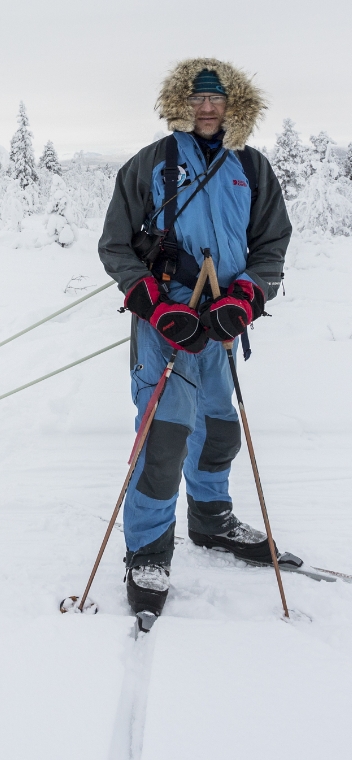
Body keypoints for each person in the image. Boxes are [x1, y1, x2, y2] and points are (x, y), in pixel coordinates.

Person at [97, 59, 295, 619]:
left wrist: (246, 299)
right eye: (197, 98)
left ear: (236, 106)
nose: (208, 108)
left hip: (223, 327)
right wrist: (155, 307)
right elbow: (115, 247)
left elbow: (271, 245)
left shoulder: (252, 167)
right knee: (164, 437)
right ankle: (149, 553)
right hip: (167, 323)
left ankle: (211, 521)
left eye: (218, 98)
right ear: (180, 104)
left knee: (218, 429)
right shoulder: (150, 165)